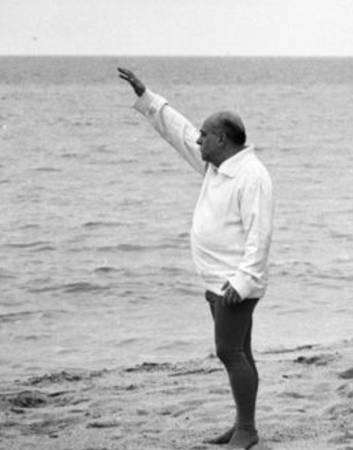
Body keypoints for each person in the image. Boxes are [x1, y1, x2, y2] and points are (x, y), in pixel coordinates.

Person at [117, 68, 273, 449]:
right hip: (215, 279)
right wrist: (148, 97)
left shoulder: (252, 175)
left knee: (229, 351)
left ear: (221, 139)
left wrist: (241, 283)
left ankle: (248, 431)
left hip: (234, 283)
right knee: (240, 351)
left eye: (206, 135)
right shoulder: (215, 164)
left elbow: (260, 236)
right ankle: (241, 424)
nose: (199, 139)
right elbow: (180, 132)